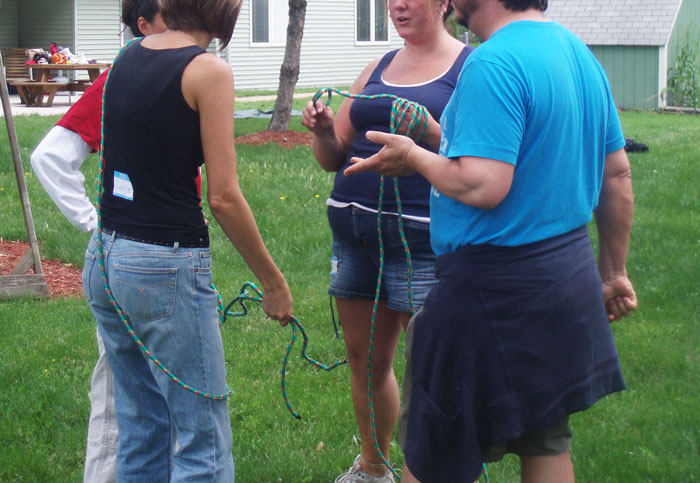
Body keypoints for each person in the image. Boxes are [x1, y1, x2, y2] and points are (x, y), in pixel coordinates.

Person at [345, 0, 638, 481]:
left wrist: (413, 156)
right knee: (545, 442)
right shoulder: (575, 51)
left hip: (488, 291)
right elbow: (617, 175)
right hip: (565, 278)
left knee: (435, 452)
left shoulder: (493, 61)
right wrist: (613, 272)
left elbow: (482, 183)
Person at [81, 0, 293, 480]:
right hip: (162, 269)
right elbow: (223, 197)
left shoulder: (128, 57)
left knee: (141, 428)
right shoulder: (207, 71)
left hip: (106, 259)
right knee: (203, 446)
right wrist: (273, 282)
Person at [302, 1, 472, 481]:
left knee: (430, 371)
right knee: (365, 361)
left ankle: (426, 471)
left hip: (421, 240)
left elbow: (479, 157)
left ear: (443, 3)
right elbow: (332, 157)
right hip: (354, 235)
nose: (396, 4)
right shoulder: (378, 66)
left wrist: (428, 133)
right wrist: (322, 132)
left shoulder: (469, 67)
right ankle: (373, 468)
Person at [30, 2, 167, 481]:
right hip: (127, 258)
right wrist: (93, 220)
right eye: (170, 17)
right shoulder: (121, 79)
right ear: (143, 25)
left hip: (169, 258)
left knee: (161, 400)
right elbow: (49, 156)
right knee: (117, 400)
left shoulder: (181, 77)